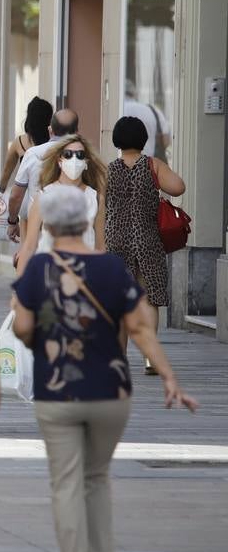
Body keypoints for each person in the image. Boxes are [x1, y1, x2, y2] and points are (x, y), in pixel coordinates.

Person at [11, 185, 199, 552]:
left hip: (57, 390)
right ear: (83, 221)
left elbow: (23, 327)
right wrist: (168, 377)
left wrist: (43, 343)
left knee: (66, 481)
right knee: (96, 477)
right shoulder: (113, 269)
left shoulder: (39, 269)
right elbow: (140, 329)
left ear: (52, 222)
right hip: (110, 391)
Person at [106, 117, 186, 374]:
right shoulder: (153, 165)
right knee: (149, 297)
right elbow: (178, 188)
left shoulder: (109, 169)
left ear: (117, 139)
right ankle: (150, 357)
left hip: (115, 238)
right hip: (147, 238)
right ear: (143, 138)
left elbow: (99, 206)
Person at [16, 134, 107, 272]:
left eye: (80, 155)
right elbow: (29, 247)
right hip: (49, 275)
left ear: (86, 162)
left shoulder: (95, 198)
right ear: (59, 161)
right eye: (68, 154)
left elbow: (100, 247)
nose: (74, 159)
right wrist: (19, 290)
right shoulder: (43, 197)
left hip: (84, 275)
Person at [7, 108, 79, 242]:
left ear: (50, 130)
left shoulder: (33, 154)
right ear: (76, 132)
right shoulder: (86, 157)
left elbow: (16, 195)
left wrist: (12, 222)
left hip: (39, 229)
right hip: (75, 232)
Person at [0, 97, 53, 193]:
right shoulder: (54, 143)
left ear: (29, 118)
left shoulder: (19, 142)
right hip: (49, 195)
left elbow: (6, 173)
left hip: (24, 197)